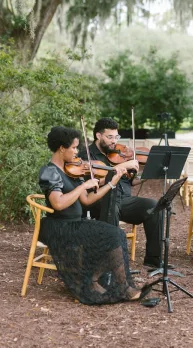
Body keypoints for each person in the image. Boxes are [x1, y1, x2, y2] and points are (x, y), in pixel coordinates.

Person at [39, 126, 144, 304]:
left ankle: (109, 281)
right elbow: (58, 203)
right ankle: (120, 287)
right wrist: (82, 186)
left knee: (116, 232)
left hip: (76, 223)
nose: (76, 151)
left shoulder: (71, 169)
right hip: (59, 226)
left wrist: (112, 182)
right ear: (61, 148)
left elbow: (87, 200)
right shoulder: (50, 171)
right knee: (109, 235)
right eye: (73, 147)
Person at [78, 117, 162, 268]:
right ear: (98, 135)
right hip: (101, 200)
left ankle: (154, 260)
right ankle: (113, 261)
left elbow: (131, 181)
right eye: (109, 137)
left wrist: (147, 175)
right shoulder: (87, 155)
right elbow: (91, 184)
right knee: (112, 206)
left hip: (124, 200)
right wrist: (121, 166)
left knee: (154, 206)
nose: (114, 141)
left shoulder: (118, 154)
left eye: (116, 137)